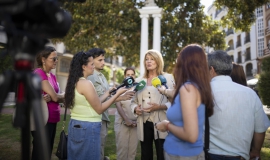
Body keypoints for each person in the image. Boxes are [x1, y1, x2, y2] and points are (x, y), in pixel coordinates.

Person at [207, 50, 270, 160]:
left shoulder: (203, 92)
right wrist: (255, 151)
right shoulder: (250, 93)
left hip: (210, 155)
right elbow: (260, 128)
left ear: (211, 70)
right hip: (240, 156)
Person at [64, 52, 127, 160]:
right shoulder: (86, 83)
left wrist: (108, 93)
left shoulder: (75, 81)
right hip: (88, 128)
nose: (94, 67)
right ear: (84, 66)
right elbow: (99, 109)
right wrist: (117, 94)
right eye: (92, 64)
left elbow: (95, 101)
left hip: (76, 125)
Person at [156, 44, 214, 159]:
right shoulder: (196, 87)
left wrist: (166, 125)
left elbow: (191, 135)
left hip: (182, 155)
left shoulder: (188, 89)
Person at [86, 48, 135, 160]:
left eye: (103, 59)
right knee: (95, 151)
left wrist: (119, 96)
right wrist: (119, 96)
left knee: (100, 149)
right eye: (100, 60)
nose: (103, 62)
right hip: (96, 118)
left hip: (103, 118)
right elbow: (98, 99)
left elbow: (106, 95)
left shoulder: (102, 76)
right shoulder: (92, 77)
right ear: (92, 60)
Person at [130, 49, 174, 160]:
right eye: (146, 59)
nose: (148, 62)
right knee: (145, 155)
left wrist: (159, 107)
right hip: (144, 123)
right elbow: (133, 102)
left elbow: (174, 101)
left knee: (162, 154)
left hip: (162, 122)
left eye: (152, 59)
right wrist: (136, 109)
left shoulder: (168, 78)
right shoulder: (140, 80)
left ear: (158, 61)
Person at [32, 46, 65, 160]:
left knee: (47, 152)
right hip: (43, 119)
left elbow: (57, 96)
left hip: (52, 118)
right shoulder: (39, 73)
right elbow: (57, 97)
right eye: (53, 58)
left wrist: (58, 96)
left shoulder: (53, 76)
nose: (56, 61)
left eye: (57, 58)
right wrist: (58, 96)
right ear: (43, 59)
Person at [114, 67, 138, 160]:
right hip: (122, 122)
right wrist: (126, 119)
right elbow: (118, 105)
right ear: (124, 76)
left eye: (132, 74)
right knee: (122, 151)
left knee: (132, 152)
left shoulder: (138, 88)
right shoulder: (120, 88)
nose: (130, 77)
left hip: (135, 124)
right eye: (128, 75)